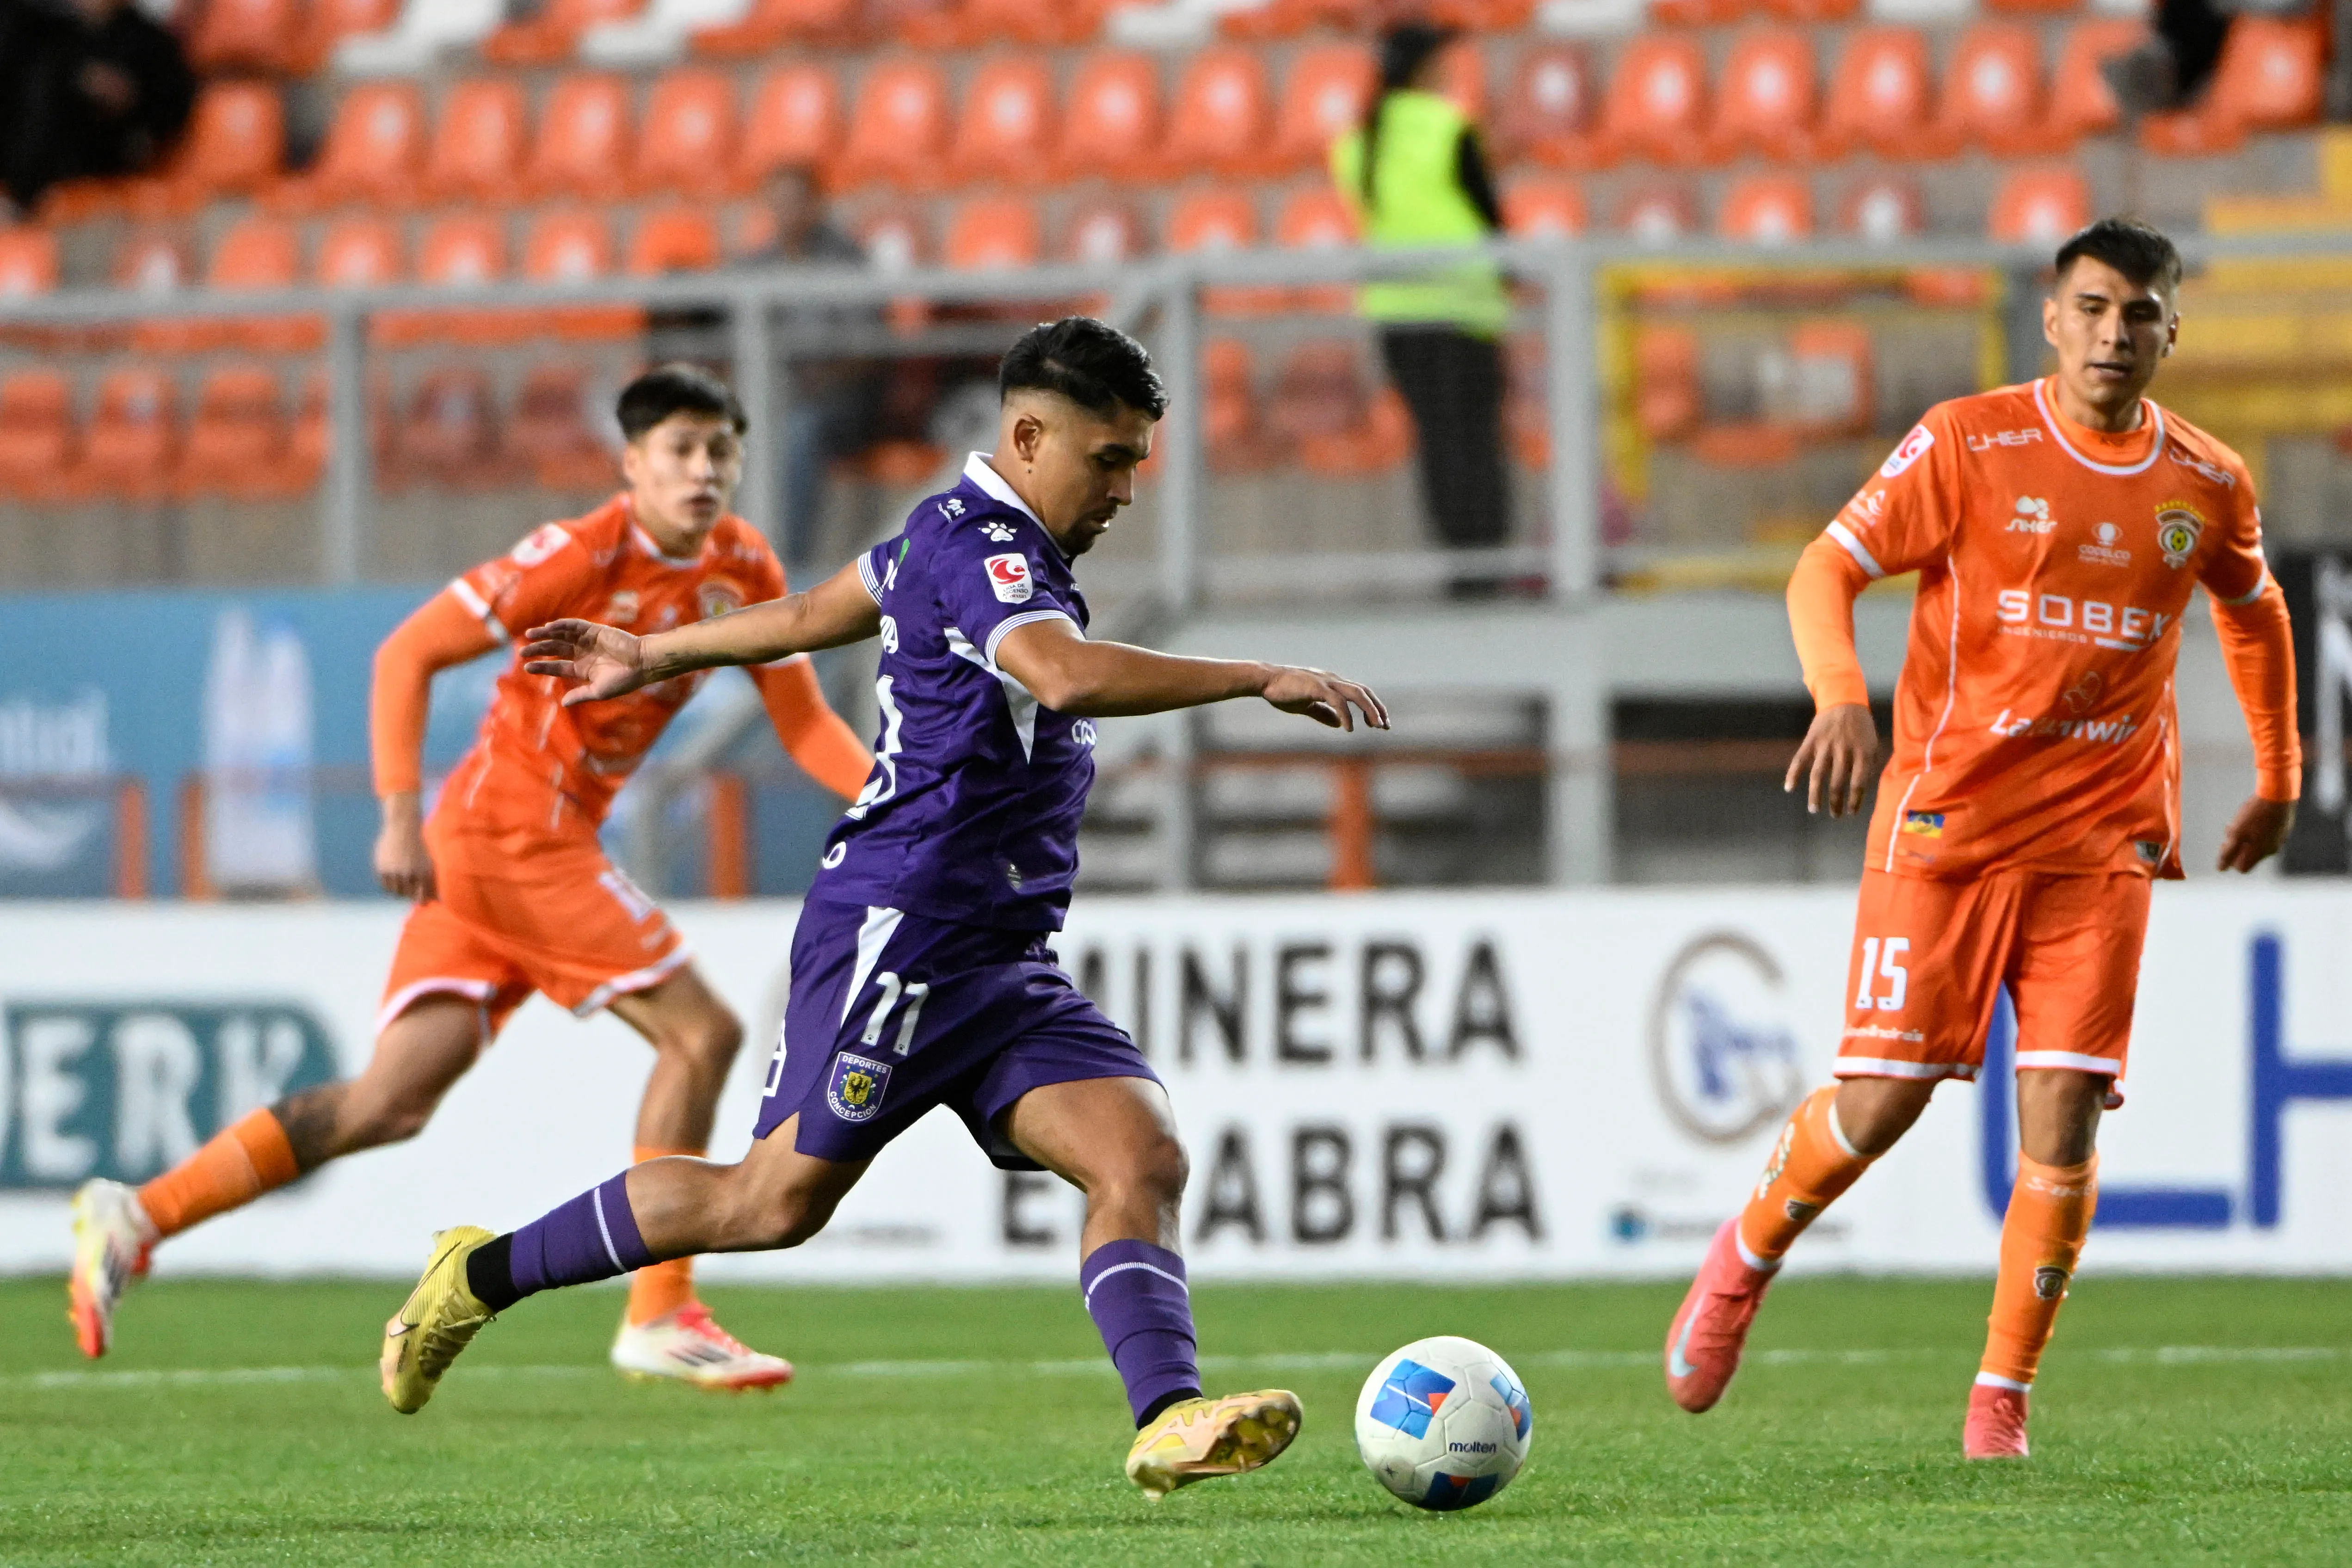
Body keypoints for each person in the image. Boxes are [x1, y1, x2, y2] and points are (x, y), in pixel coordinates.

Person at [372, 318, 1390, 1500]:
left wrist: (658, 651)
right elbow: (1060, 672)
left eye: (1135, 461)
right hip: (900, 928)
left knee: (1141, 1155)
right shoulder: (989, 553)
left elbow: (813, 614)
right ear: (1026, 436)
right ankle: (475, 1275)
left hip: (1001, 952)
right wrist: (1256, 674)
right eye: (1106, 459)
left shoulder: (944, 537)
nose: (1124, 486)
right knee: (766, 1204)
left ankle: (1168, 1416)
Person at [69, 365, 876, 1390]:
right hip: (511, 831)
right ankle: (660, 1309)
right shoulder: (575, 554)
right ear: (631, 463)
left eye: (722, 450)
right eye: (680, 449)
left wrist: (891, 794)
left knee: (388, 1101)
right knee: (702, 1032)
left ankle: (139, 1214)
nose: (704, 469)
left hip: (523, 840)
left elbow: (802, 719)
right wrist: (397, 812)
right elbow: (407, 653)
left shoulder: (742, 562)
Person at [1661, 218, 2300, 1459]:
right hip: (1949, 820)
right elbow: (1822, 567)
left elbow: (2254, 610)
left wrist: (2277, 772)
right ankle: (1742, 1256)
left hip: (2101, 838)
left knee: (2061, 1116)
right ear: (2051, 319)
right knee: (1879, 1102)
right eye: (2093, 307)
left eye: (2141, 313)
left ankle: (1998, 1397)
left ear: (2174, 330)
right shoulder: (1966, 441)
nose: (2115, 332)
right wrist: (1838, 692)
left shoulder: (2205, 481)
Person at [1330, 20, 1512, 596]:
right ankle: (1490, 568)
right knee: (1478, 440)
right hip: (1463, 309)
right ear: (1425, 70)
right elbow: (1490, 215)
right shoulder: (1448, 126)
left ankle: (1460, 569)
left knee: (1436, 442)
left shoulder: (1357, 143)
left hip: (1400, 317)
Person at [0, 0, 194, 214]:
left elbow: (171, 111)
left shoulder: (151, 45)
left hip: (108, 195)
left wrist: (130, 101)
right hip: (24, 193)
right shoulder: (32, 31)